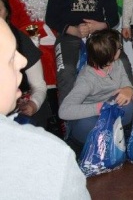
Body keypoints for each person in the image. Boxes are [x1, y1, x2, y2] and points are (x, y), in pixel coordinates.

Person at [0, 18, 90, 199]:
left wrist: (33, 103)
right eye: (10, 57)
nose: (22, 61)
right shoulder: (51, 155)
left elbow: (38, 86)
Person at [45, 0, 120, 103]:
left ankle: (113, 109)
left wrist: (100, 26)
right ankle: (67, 113)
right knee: (66, 71)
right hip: (69, 35)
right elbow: (50, 17)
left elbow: (113, 17)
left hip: (99, 36)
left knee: (122, 64)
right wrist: (74, 30)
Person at [58, 29, 133, 151]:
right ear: (110, 54)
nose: (121, 49)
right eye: (119, 47)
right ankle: (83, 149)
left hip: (108, 111)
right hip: (88, 117)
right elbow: (64, 111)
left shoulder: (117, 64)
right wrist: (101, 108)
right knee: (88, 124)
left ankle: (122, 140)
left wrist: (129, 90)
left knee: (127, 104)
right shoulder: (87, 79)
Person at [6, 0, 67, 87]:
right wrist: (38, 31)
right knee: (42, 56)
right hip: (30, 43)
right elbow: (13, 29)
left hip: (60, 39)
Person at [0, 0, 50, 128]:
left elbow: (38, 85)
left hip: (21, 106)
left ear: (7, 12)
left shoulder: (22, 41)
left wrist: (33, 104)